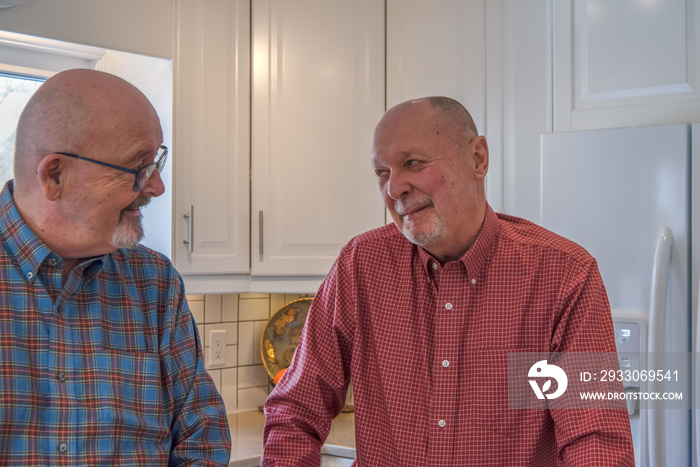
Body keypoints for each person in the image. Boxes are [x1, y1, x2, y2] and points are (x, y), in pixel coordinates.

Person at [262, 97, 635, 465]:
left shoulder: (563, 274)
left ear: (478, 159)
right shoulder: (360, 266)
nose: (394, 189)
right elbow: (296, 410)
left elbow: (596, 442)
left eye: (412, 163)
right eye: (382, 173)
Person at [0, 69, 231, 465]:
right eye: (138, 166)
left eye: (157, 160)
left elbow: (202, 441)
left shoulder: (155, 283)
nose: (157, 187)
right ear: (55, 175)